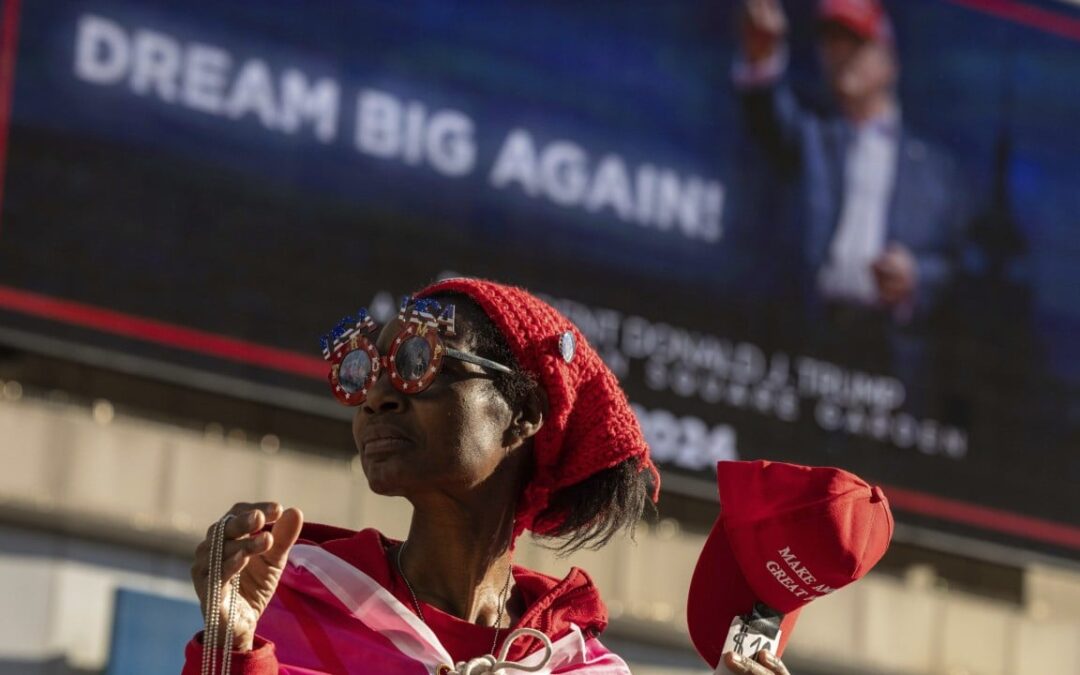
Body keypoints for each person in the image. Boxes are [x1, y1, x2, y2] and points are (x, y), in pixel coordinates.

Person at [184, 278, 794, 674]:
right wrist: (231, 648)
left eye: (420, 363)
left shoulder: (578, 666)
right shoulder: (289, 599)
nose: (378, 399)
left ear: (524, 416)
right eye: (369, 373)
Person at [733, 0, 966, 411]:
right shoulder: (812, 137)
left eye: (856, 43)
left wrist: (914, 277)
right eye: (831, 43)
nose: (841, 56)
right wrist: (762, 55)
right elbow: (767, 116)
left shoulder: (935, 172)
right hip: (807, 337)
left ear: (890, 62)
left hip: (886, 355)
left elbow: (958, 266)